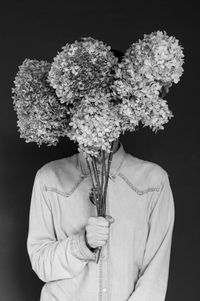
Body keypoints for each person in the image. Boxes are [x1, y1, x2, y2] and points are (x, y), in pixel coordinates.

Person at [27, 139, 175, 301]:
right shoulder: (48, 178)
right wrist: (83, 243)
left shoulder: (154, 180)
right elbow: (41, 265)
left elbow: (155, 275)